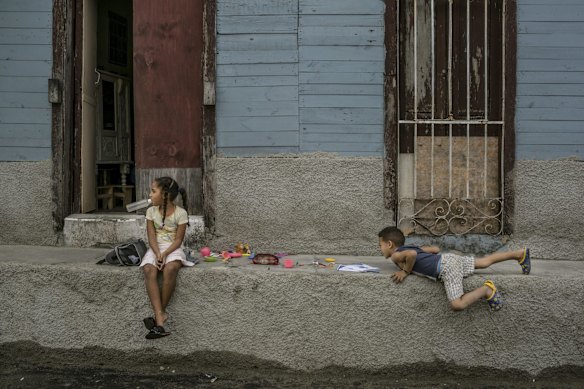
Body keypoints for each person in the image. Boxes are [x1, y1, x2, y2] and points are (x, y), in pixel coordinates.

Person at [378, 226, 531, 311]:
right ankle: (519, 254)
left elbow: (411, 254)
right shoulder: (412, 247)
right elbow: (435, 249)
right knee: (485, 262)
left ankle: (486, 290)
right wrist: (421, 252)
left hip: (446, 268)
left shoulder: (396, 256)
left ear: (390, 244)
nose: (380, 249)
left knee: (457, 304)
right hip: (448, 258)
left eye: (380, 245)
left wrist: (405, 271)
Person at [141, 176, 193, 339]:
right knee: (149, 269)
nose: (150, 194)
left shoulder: (181, 214)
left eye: (153, 191)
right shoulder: (150, 211)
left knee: (171, 268)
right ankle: (160, 317)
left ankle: (158, 316)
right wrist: (157, 253)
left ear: (164, 195)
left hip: (173, 248)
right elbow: (151, 237)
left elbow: (178, 240)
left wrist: (165, 254)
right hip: (156, 247)